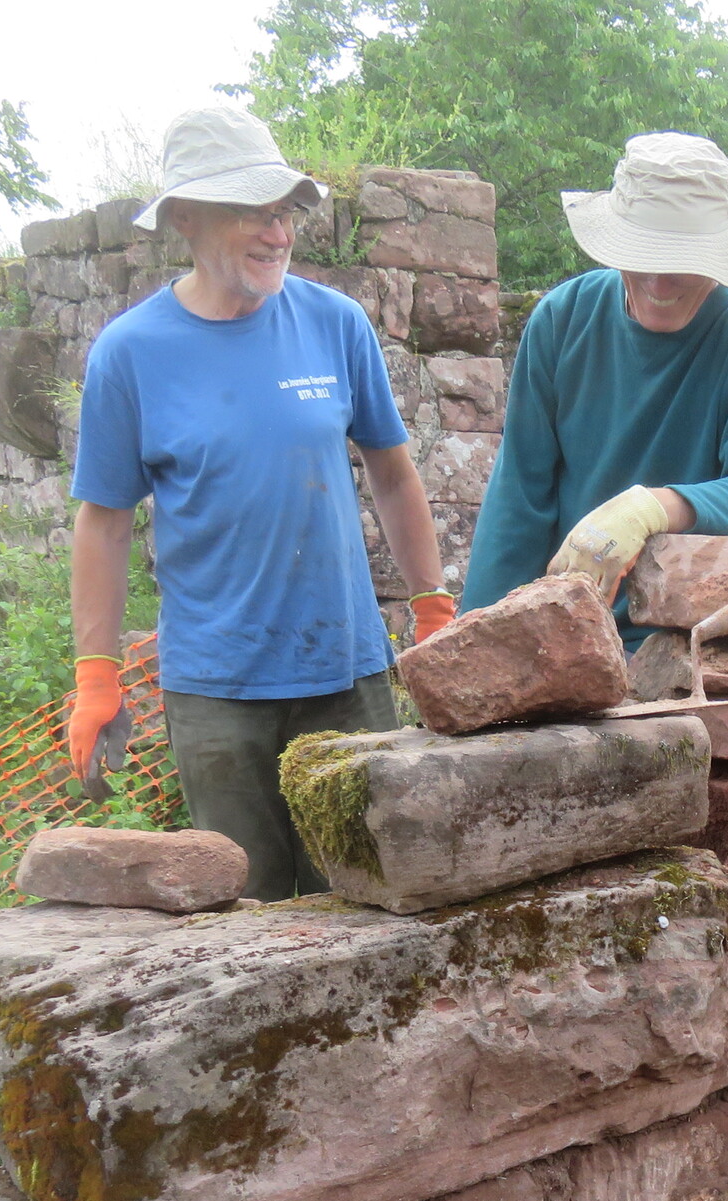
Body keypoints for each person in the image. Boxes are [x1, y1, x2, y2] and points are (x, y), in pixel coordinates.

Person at [63, 104, 453, 900]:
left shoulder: (334, 324)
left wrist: (434, 609)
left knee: (373, 899)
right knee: (248, 910)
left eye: (285, 213)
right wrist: (96, 674)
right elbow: (103, 521)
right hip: (217, 694)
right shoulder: (130, 353)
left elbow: (392, 474)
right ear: (185, 218)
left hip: (345, 676)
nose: (278, 234)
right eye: (253, 212)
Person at [460, 133, 728, 625]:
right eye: (644, 253)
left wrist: (656, 507)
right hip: (571, 631)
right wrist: (480, 631)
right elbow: (518, 499)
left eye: (682, 260)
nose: (658, 281)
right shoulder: (563, 321)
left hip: (693, 636)